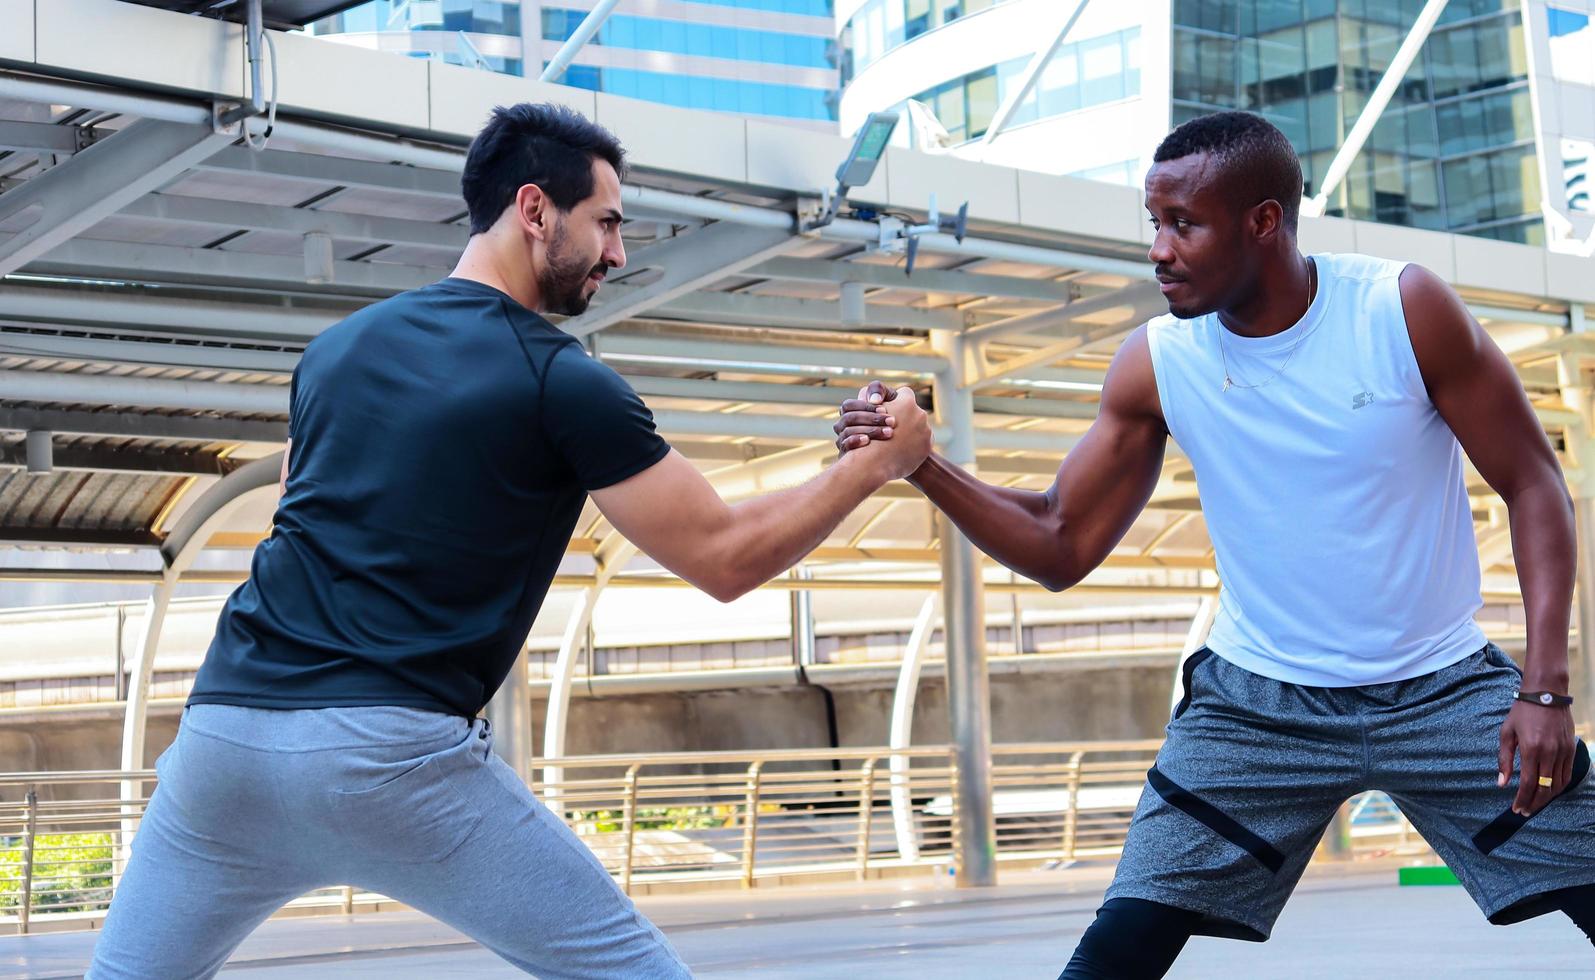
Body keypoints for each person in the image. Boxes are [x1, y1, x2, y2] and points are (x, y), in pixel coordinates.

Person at [88, 102, 931, 979]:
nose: (619, 253)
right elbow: (724, 556)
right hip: (389, 755)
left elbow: (308, 520)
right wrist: (877, 467)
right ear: (534, 211)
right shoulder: (560, 379)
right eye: (606, 222)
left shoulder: (333, 352)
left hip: (224, 739)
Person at [835, 111, 1595, 977]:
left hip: (1443, 690)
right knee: (1115, 952)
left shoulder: (1400, 309)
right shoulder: (1157, 361)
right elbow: (1057, 542)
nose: (1157, 249)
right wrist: (923, 464)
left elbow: (1534, 482)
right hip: (1255, 706)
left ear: (1262, 221)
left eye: (1182, 224)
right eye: (1152, 225)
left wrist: (1544, 690)